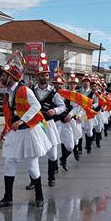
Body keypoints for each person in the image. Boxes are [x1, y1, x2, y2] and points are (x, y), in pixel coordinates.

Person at [0, 51, 51, 208]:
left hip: (28, 132)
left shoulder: (24, 90)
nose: (2, 78)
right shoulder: (8, 93)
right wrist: (6, 128)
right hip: (15, 133)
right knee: (9, 162)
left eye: (4, 75)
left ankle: (39, 196)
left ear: (12, 77)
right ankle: (7, 198)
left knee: (32, 167)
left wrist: (22, 120)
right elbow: (10, 114)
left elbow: (36, 106)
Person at [31, 53, 67, 186]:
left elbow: (62, 106)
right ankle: (33, 181)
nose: (44, 78)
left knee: (52, 154)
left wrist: (55, 110)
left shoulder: (53, 92)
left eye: (46, 75)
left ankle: (51, 177)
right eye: (41, 75)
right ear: (37, 76)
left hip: (49, 125)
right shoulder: (30, 91)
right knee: (33, 154)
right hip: (34, 125)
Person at [52, 68, 77, 171]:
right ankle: (54, 166)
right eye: (56, 85)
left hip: (66, 123)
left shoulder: (69, 95)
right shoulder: (51, 95)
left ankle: (63, 158)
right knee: (54, 146)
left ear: (63, 85)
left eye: (61, 84)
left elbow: (76, 107)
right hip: (55, 123)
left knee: (70, 146)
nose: (59, 87)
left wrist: (70, 115)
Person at [80, 75, 102, 153]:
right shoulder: (78, 91)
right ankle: (79, 149)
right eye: (84, 82)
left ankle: (89, 145)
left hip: (89, 114)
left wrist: (93, 106)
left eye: (87, 82)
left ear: (89, 83)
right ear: (82, 83)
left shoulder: (94, 93)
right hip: (80, 114)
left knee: (89, 131)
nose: (86, 83)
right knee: (80, 131)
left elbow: (97, 102)